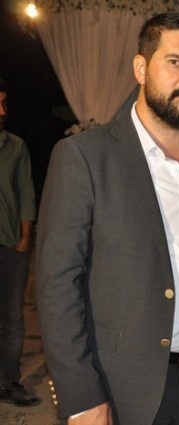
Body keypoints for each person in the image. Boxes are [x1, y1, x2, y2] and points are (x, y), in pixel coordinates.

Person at [36, 12, 179, 425]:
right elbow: (57, 284)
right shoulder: (85, 157)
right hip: (121, 386)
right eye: (175, 61)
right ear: (141, 68)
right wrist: (81, 396)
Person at [0, 78, 40, 407]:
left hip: (11, 244)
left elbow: (27, 193)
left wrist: (26, 237)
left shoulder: (16, 146)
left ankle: (7, 382)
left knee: (12, 316)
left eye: (3, 104)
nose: (2, 111)